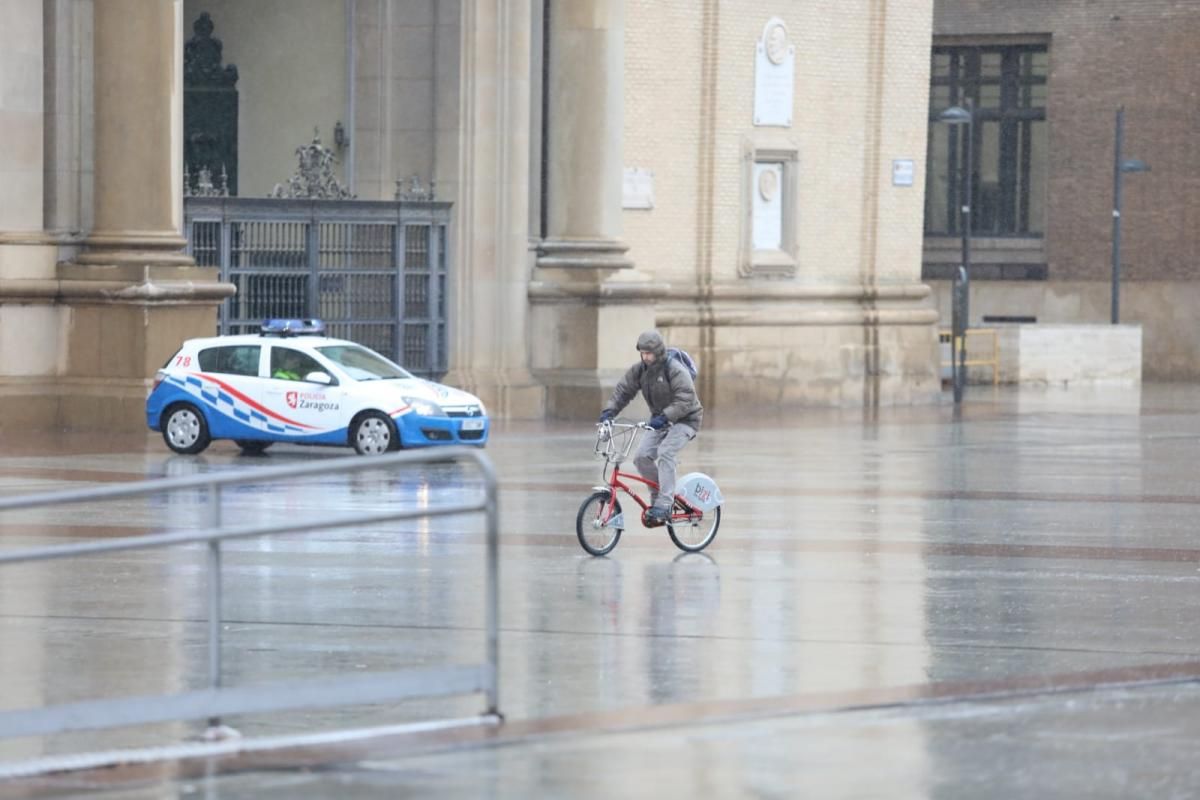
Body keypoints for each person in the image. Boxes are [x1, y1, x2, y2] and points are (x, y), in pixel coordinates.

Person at [599, 330, 703, 525]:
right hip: (660, 419)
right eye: (642, 353)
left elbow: (685, 398)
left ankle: (665, 503)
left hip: (686, 419)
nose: (645, 357)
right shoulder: (640, 371)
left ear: (658, 352)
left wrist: (665, 416)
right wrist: (609, 412)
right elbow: (623, 391)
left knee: (665, 452)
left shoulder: (674, 369)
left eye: (649, 353)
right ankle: (657, 497)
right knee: (641, 457)